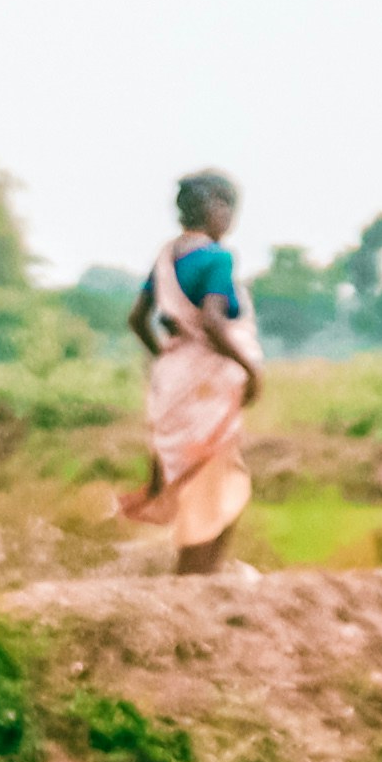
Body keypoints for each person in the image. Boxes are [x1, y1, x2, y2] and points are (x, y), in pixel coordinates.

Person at [116, 170, 265, 574]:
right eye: (229, 208)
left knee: (194, 477)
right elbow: (215, 322)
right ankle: (199, 576)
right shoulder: (217, 258)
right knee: (217, 480)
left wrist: (167, 357)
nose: (230, 219)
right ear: (216, 207)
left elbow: (138, 319)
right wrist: (249, 370)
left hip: (176, 376)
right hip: (206, 382)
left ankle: (195, 573)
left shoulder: (167, 258)